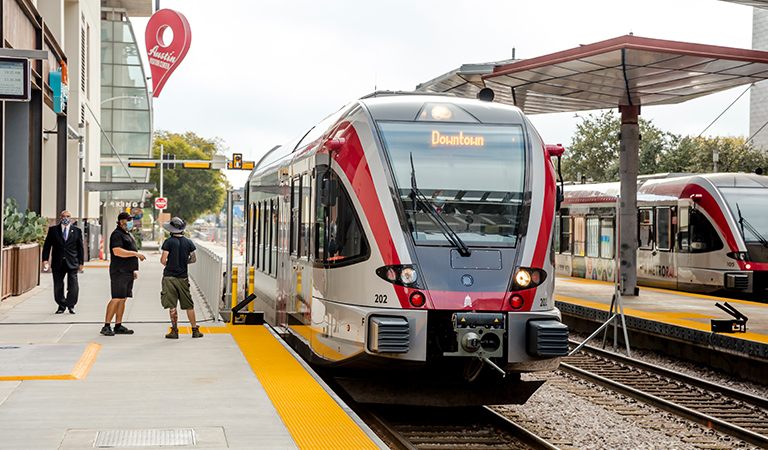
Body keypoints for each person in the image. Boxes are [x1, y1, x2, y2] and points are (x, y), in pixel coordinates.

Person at [101, 212, 146, 336]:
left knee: (123, 299)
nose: (131, 222)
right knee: (116, 298)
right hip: (119, 272)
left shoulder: (127, 234)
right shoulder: (117, 235)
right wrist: (135, 254)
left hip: (127, 271)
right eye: (129, 219)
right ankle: (106, 325)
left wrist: (132, 270)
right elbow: (117, 251)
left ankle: (118, 325)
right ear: (121, 221)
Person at [160, 217, 202, 339]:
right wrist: (183, 263)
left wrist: (171, 264)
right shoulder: (188, 242)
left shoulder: (168, 242)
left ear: (171, 231)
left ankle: (174, 331)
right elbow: (193, 259)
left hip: (169, 277)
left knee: (172, 305)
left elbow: (163, 260)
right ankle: (195, 330)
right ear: (182, 230)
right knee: (189, 305)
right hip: (183, 277)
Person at [42, 211, 84, 314]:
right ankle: (61, 305)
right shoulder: (53, 230)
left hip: (72, 262)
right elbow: (47, 246)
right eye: (64, 216)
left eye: (68, 216)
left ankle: (71, 305)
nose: (66, 218)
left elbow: (80, 248)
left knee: (73, 285)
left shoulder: (77, 231)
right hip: (58, 262)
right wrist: (45, 259)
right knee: (58, 285)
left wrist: (81, 262)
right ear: (60, 217)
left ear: (71, 218)